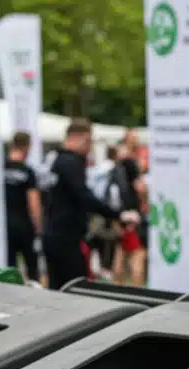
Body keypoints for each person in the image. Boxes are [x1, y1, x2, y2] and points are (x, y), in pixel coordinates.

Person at [44, 119, 139, 289]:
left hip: (56, 234)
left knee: (57, 290)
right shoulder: (70, 163)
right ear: (80, 138)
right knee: (74, 289)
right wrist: (118, 214)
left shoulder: (57, 159)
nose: (89, 148)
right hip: (65, 239)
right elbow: (84, 196)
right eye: (88, 142)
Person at [4, 131, 42, 281]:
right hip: (24, 225)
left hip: (5, 226)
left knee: (9, 267)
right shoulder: (27, 171)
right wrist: (38, 227)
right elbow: (34, 202)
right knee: (32, 267)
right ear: (27, 147)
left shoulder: (0, 168)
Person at [112, 131, 148, 286]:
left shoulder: (118, 163)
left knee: (121, 252)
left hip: (119, 214)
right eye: (135, 139)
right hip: (132, 215)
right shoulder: (130, 163)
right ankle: (137, 290)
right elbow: (140, 188)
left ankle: (116, 288)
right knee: (138, 254)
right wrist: (145, 201)